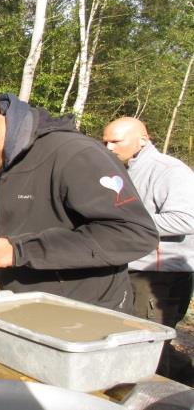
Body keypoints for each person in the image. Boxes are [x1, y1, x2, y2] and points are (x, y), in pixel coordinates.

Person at [0, 76, 157, 312]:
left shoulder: (72, 153)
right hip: (26, 310)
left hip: (90, 315)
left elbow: (135, 234)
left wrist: (21, 250)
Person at [103, 117, 194, 380]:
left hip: (158, 276)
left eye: (116, 141)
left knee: (147, 346)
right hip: (132, 270)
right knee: (135, 341)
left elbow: (187, 218)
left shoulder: (168, 170)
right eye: (105, 141)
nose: (108, 147)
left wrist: (125, 221)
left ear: (143, 139)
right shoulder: (124, 169)